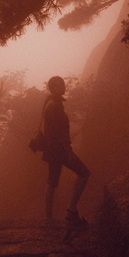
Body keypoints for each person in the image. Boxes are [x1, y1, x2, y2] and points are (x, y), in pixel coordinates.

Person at [42, 76, 90, 227]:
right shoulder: (53, 106)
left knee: (52, 182)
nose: (63, 87)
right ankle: (70, 211)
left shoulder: (52, 103)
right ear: (52, 88)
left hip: (53, 149)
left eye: (63, 84)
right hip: (60, 150)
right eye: (59, 85)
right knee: (83, 173)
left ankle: (49, 218)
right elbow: (60, 131)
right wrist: (68, 150)